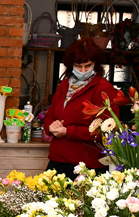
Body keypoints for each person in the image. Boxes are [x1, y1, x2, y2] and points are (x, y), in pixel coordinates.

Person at [42, 38, 118, 178]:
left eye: (88, 66)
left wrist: (68, 131)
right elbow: (50, 116)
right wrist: (51, 126)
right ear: (71, 65)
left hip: (87, 164)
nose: (83, 70)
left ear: (96, 64)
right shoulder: (64, 85)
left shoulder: (103, 89)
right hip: (58, 160)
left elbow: (106, 131)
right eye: (78, 66)